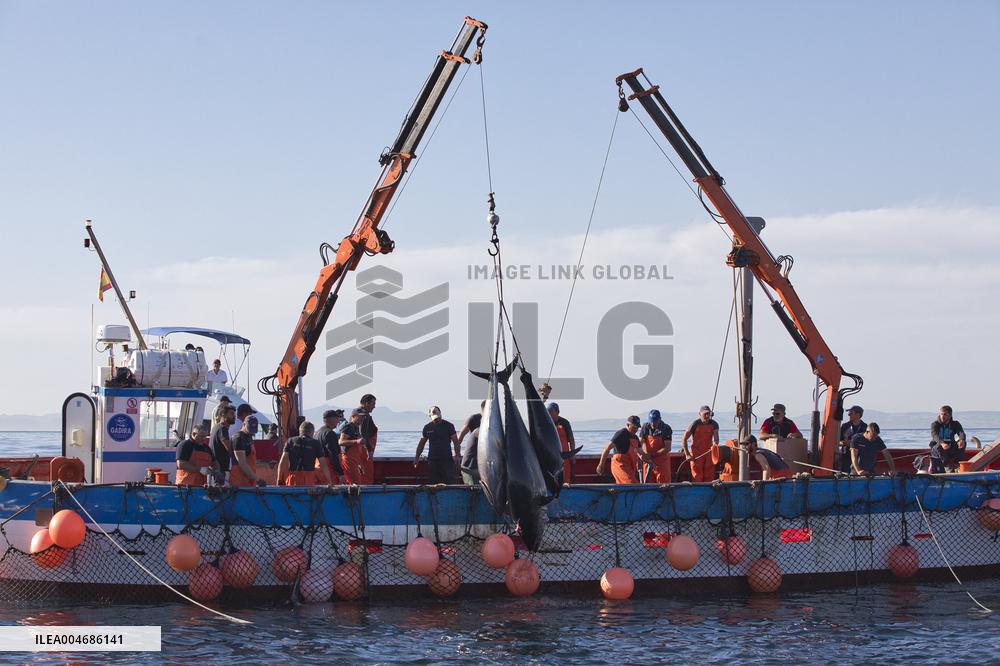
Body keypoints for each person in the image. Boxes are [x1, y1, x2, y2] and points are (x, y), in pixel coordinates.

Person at [596, 416, 652, 484]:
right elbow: (607, 449)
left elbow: (641, 453)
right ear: (628, 425)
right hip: (620, 466)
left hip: (630, 467)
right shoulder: (621, 434)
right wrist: (601, 465)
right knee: (632, 484)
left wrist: (651, 463)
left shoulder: (635, 438)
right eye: (634, 427)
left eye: (637, 427)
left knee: (630, 485)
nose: (636, 429)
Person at [414, 406, 461, 484]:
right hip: (432, 461)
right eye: (435, 418)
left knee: (449, 482)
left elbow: (455, 442)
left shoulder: (449, 426)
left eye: (438, 417)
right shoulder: (427, 427)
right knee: (432, 483)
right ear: (430, 416)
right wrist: (417, 457)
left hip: (447, 460)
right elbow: (421, 443)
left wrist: (457, 456)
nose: (437, 419)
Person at [277, 421, 331, 486]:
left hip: (293, 478)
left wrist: (279, 479)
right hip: (308, 479)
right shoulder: (316, 443)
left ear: (300, 431)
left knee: (291, 495)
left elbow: (282, 462)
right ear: (312, 432)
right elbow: (323, 465)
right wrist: (330, 481)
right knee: (308, 496)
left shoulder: (290, 441)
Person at [682, 406, 720, 482]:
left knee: (709, 476)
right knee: (697, 477)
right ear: (700, 414)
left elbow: (716, 439)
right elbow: (684, 438)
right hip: (696, 454)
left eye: (708, 414)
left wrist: (714, 447)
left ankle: (709, 492)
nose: (706, 416)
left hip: (709, 452)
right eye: (704, 414)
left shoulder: (714, 424)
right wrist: (687, 454)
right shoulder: (695, 424)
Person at [229, 415, 266, 487]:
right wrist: (257, 479)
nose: (252, 432)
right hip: (239, 481)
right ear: (244, 424)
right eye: (250, 429)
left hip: (249, 480)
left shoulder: (249, 437)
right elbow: (242, 463)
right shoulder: (238, 438)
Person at [339, 408, 373, 484]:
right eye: (361, 416)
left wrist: (359, 464)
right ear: (353, 416)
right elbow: (341, 442)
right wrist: (356, 441)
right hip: (348, 459)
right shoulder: (348, 427)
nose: (363, 419)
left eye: (364, 417)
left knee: (357, 481)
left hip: (355, 460)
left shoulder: (356, 428)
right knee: (354, 483)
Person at [929, 405, 966, 473]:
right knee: (939, 446)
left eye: (945, 414)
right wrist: (942, 443)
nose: (942, 416)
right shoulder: (935, 424)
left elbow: (961, 433)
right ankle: (946, 466)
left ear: (950, 415)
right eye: (941, 414)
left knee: (963, 443)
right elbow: (935, 435)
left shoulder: (955, 424)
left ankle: (957, 464)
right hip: (937, 447)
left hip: (950, 446)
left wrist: (961, 440)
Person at [547, 402, 577, 484]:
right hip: (550, 455)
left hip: (564, 455)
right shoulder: (546, 422)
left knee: (565, 476)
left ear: (557, 412)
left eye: (551, 411)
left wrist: (572, 453)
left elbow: (571, 439)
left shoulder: (564, 422)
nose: (548, 413)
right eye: (547, 411)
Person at [640, 409, 672, 483]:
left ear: (660, 419)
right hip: (648, 460)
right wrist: (642, 455)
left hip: (661, 461)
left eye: (655, 421)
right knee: (647, 482)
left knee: (663, 482)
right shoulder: (645, 427)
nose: (653, 424)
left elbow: (667, 448)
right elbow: (640, 443)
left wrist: (652, 454)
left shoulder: (666, 428)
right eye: (651, 422)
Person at [458, 402, 486, 486]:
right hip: (470, 466)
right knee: (474, 490)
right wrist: (456, 453)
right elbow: (461, 435)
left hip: (480, 465)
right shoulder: (474, 420)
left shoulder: (492, 422)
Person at [315, 409, 345, 484]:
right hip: (329, 470)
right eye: (337, 419)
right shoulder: (330, 434)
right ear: (331, 419)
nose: (338, 421)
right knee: (332, 490)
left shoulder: (317, 433)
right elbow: (333, 455)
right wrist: (340, 473)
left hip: (318, 468)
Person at [211, 404, 236, 483]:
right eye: (231, 414)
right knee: (219, 490)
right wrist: (239, 462)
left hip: (216, 467)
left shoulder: (216, 427)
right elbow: (228, 447)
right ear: (223, 415)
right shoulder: (222, 429)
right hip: (220, 468)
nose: (234, 416)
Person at [838, 405, 867, 473]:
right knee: (845, 474)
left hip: (860, 457)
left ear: (858, 414)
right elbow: (838, 441)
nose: (849, 415)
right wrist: (845, 443)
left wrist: (854, 443)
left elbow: (868, 442)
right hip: (846, 456)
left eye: (851, 413)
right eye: (848, 414)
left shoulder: (865, 427)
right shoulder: (844, 426)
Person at [359, 394, 378, 482]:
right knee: (366, 477)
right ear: (367, 403)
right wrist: (369, 450)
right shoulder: (364, 415)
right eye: (373, 404)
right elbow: (363, 433)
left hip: (360, 451)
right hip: (364, 452)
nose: (374, 406)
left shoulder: (356, 413)